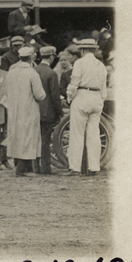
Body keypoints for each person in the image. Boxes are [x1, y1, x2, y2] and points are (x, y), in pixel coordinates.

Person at [66, 37, 108, 176]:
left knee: (77, 133)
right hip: (97, 98)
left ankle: (75, 168)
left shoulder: (80, 63)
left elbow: (74, 83)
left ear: (83, 50)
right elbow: (104, 88)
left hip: (82, 95)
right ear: (94, 50)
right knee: (94, 134)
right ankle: (94, 167)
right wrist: (100, 100)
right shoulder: (100, 65)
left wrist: (69, 97)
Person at [5, 44, 46, 176]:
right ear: (30, 57)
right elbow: (39, 94)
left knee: (17, 135)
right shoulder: (32, 73)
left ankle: (22, 166)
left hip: (14, 110)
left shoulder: (11, 72)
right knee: (28, 137)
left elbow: (6, 91)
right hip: (29, 109)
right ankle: (22, 169)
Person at [34, 45, 63, 175]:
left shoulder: (33, 70)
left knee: (35, 139)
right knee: (45, 141)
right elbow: (55, 96)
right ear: (51, 57)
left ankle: (35, 167)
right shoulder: (51, 73)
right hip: (47, 112)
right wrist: (60, 112)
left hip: (34, 110)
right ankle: (45, 168)